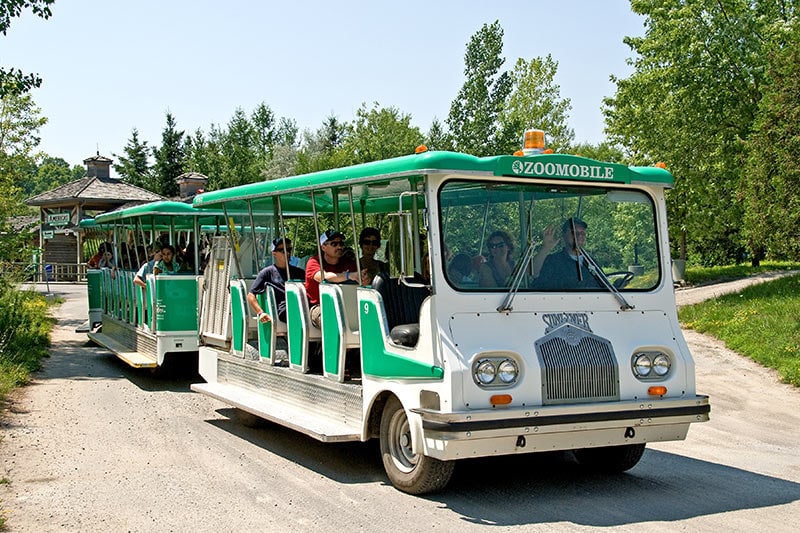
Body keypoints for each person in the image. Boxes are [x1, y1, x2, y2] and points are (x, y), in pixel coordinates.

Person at [305, 229, 366, 328]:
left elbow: (361, 280)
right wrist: (349, 275)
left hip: (349, 304)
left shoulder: (349, 262)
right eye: (334, 244)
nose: (339, 247)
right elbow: (323, 277)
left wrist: (364, 278)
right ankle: (331, 343)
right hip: (320, 306)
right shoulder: (314, 262)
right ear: (323, 247)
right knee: (330, 319)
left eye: (341, 243)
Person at [532, 217, 602, 290]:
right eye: (574, 232)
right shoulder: (553, 261)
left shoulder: (591, 262)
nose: (579, 235)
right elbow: (533, 273)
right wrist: (546, 248)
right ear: (564, 235)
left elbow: (604, 287)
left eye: (582, 233)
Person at [247, 237, 305, 324]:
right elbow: (251, 295)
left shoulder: (299, 272)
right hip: (284, 310)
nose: (287, 253)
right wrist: (261, 312)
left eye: (289, 249)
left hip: (301, 305)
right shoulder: (267, 272)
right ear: (274, 253)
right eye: (283, 250)